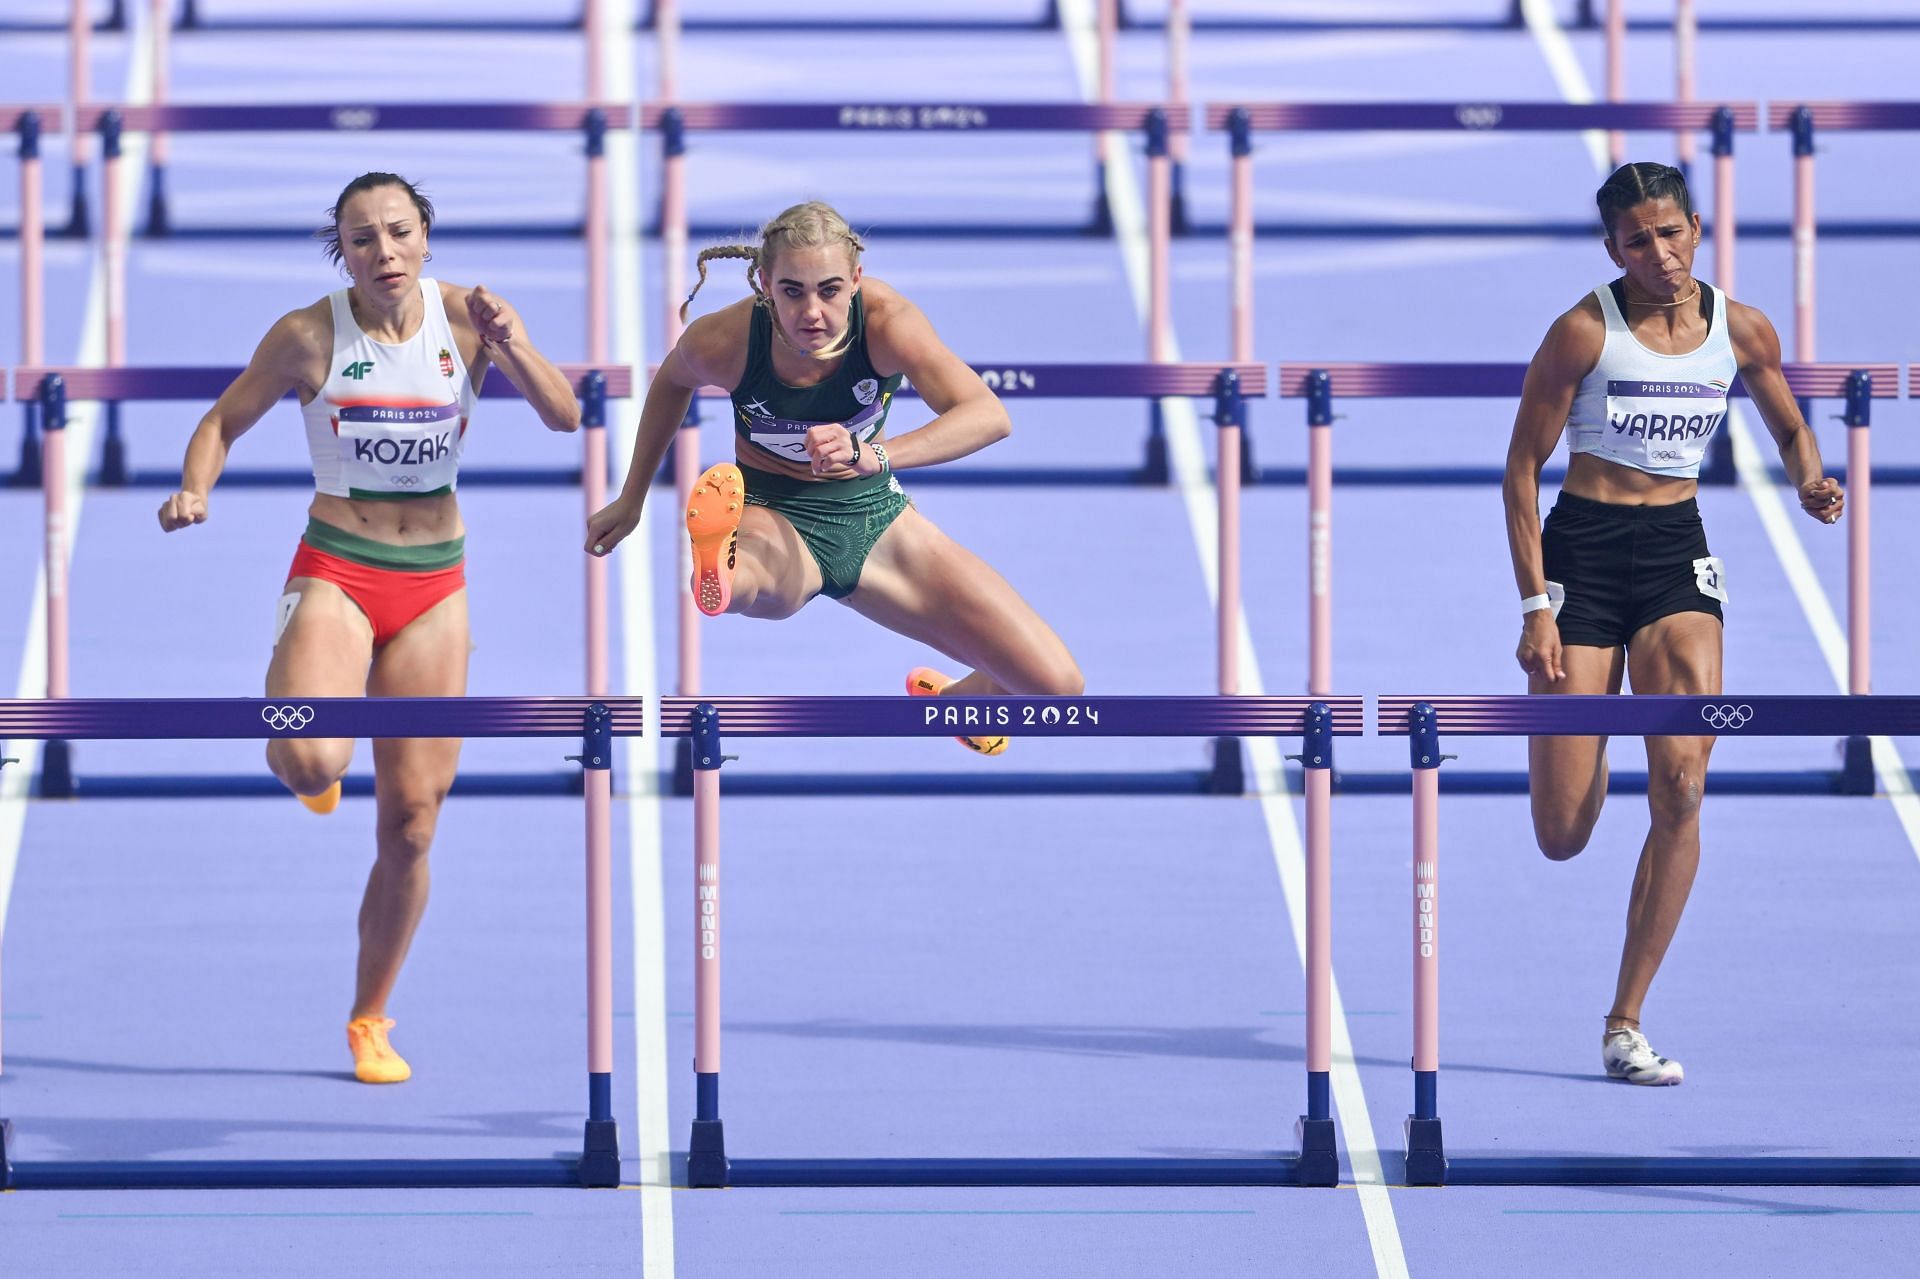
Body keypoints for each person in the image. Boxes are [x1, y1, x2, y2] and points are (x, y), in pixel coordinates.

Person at [157, 173, 580, 1083]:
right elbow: (220, 421)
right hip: (339, 570)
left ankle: (369, 1015)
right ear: (341, 252)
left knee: (414, 827)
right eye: (361, 239)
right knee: (313, 760)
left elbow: (566, 414)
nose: (383, 252)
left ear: (425, 236)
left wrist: (512, 348)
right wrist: (196, 485)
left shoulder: (471, 316)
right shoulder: (310, 334)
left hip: (434, 586)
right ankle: (307, 755)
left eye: (397, 233)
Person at [1503, 162, 1844, 1085]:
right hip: (1582, 553)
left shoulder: (1741, 328)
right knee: (1563, 832)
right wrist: (1536, 605)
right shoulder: (1581, 332)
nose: (1659, 255)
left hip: (1675, 558)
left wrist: (1809, 476)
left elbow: (1788, 427)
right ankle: (1594, 714)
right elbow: (1521, 471)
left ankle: (1625, 1020)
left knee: (1685, 787)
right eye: (1636, 242)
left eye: (1670, 234)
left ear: (1696, 226)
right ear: (1613, 249)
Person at [586, 201, 1082, 745]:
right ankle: (722, 572)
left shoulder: (889, 323)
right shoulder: (724, 340)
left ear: (855, 281)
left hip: (874, 512)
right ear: (765, 284)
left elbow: (988, 415)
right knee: (763, 582)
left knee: (1056, 688)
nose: (812, 312)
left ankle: (959, 701)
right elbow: (671, 384)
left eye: (828, 290)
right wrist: (631, 498)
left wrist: (875, 455)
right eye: (792, 291)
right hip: (773, 507)